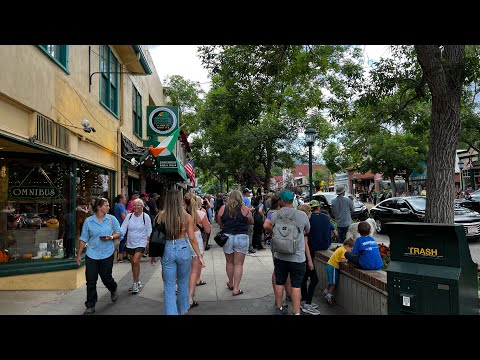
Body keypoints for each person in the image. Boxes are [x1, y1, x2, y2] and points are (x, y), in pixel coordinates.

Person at [150, 189, 205, 315]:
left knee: (169, 286)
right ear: (180, 200)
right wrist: (199, 255)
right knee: (183, 282)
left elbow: (155, 236)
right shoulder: (187, 216)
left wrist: (152, 254)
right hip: (183, 249)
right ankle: (183, 310)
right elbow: (192, 238)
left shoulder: (160, 216)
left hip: (167, 249)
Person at [76, 197, 123, 315]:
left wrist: (111, 237)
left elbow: (119, 233)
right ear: (98, 207)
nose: (109, 207)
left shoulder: (111, 219)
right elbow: (83, 238)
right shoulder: (89, 221)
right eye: (106, 205)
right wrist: (78, 255)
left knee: (106, 277)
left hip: (107, 253)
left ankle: (113, 288)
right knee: (91, 280)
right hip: (92, 254)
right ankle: (90, 305)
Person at [270, 190, 310, 315]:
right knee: (296, 285)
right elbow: (308, 229)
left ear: (281, 201)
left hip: (280, 255)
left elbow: (272, 228)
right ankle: (297, 311)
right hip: (297, 257)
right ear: (292, 200)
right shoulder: (301, 215)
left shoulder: (275, 215)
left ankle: (279, 308)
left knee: (279, 282)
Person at [217, 189, 254, 296]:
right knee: (238, 264)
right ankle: (236, 289)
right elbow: (251, 221)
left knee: (229, 262)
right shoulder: (245, 209)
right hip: (242, 236)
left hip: (227, 237)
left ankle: (231, 283)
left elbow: (220, 222)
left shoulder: (223, 208)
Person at [263, 194, 293, 306]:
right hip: (283, 244)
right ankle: (281, 298)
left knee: (281, 269)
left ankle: (285, 296)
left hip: (279, 244)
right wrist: (279, 233)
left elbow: (267, 226)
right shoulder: (274, 213)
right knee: (281, 270)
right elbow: (266, 225)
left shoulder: (273, 213)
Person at [120, 198, 152, 294]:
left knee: (135, 260)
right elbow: (123, 228)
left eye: (138, 205)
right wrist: (117, 237)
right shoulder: (129, 216)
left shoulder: (145, 217)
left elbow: (149, 230)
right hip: (130, 243)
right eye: (134, 205)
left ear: (142, 207)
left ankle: (134, 283)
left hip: (141, 243)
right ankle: (137, 281)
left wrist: (148, 242)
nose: (136, 207)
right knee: (134, 264)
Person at [184, 192, 210, 308]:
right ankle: (190, 298)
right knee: (194, 271)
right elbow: (208, 230)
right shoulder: (200, 214)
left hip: (182, 241)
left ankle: (184, 295)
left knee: (185, 271)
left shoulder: (181, 214)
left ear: (184, 202)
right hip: (196, 241)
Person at [323, 238, 354, 305]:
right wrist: (348, 260)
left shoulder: (341, 248)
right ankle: (329, 296)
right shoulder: (344, 250)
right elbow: (342, 260)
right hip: (333, 267)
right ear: (347, 246)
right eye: (351, 249)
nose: (351, 251)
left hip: (330, 265)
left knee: (330, 281)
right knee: (333, 283)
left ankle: (326, 291)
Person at [113, 194, 128, 262]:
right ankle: (120, 256)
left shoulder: (117, 206)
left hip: (118, 225)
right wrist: (128, 224)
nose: (125, 199)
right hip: (122, 225)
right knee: (123, 240)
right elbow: (123, 216)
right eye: (124, 198)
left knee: (122, 240)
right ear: (120, 199)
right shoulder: (121, 206)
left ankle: (122, 255)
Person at [241, 187, 256, 253]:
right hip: (247, 219)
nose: (249, 193)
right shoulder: (247, 200)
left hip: (241, 219)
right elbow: (247, 210)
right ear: (246, 193)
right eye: (248, 192)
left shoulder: (240, 199)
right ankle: (250, 247)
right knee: (250, 233)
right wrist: (252, 209)